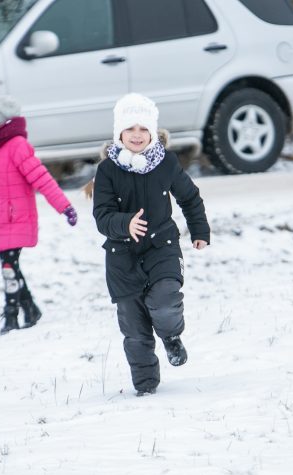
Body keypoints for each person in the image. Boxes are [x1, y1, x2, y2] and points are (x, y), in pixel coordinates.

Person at [92, 93, 210, 396]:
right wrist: (125, 224)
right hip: (121, 257)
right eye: (130, 129)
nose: (136, 135)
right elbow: (102, 216)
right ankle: (145, 387)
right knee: (134, 329)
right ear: (119, 133)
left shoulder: (166, 163)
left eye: (143, 129)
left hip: (162, 246)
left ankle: (171, 337)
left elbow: (189, 197)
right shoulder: (107, 170)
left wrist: (199, 229)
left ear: (153, 133)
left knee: (166, 300)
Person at [0, 95, 78, 335]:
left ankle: (11, 315)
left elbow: (42, 179)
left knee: (8, 267)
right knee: (11, 266)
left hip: (16, 218)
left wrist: (65, 207)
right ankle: (29, 307)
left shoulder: (17, 147)